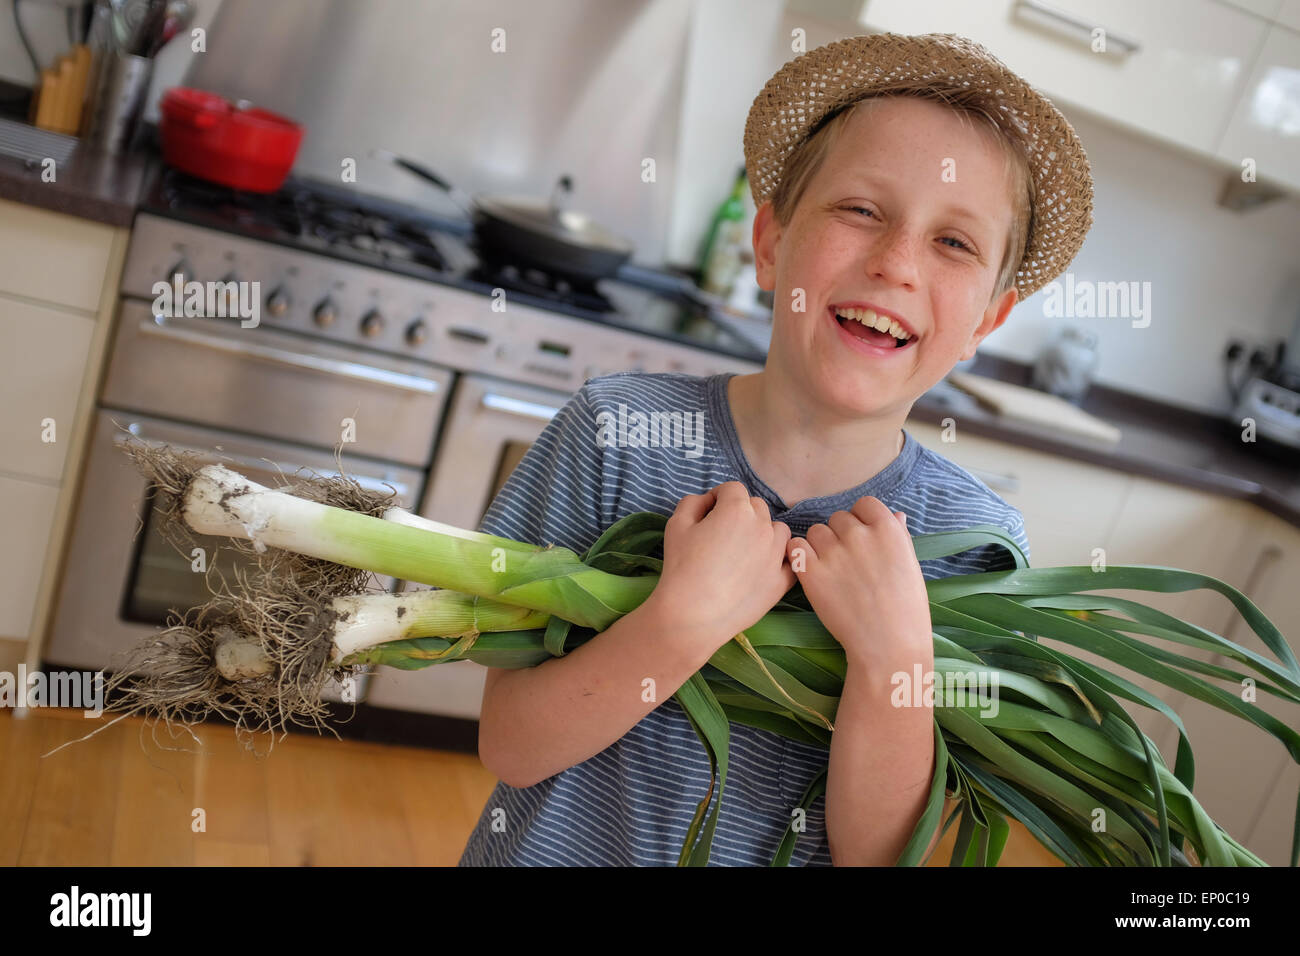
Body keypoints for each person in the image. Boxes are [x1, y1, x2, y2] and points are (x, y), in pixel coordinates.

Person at [458, 32, 1093, 866]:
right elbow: (511, 744)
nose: (897, 263)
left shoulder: (974, 548)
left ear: (987, 321)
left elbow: (877, 854)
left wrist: (892, 656)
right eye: (861, 210)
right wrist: (682, 622)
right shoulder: (614, 430)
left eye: (954, 243)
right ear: (768, 242)